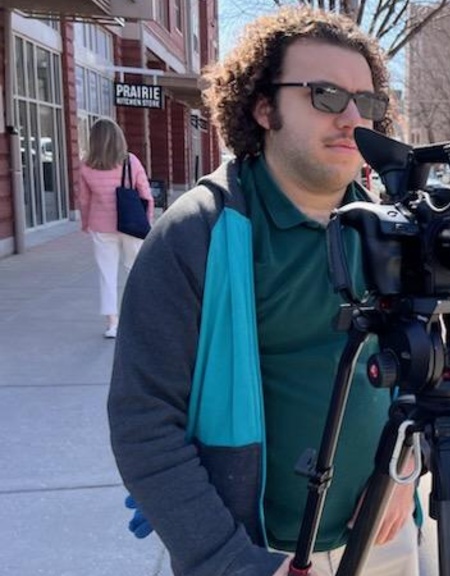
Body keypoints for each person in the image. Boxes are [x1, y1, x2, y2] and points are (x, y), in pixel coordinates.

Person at [107, 7, 419, 576]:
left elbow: (423, 368)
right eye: (325, 95)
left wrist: (405, 467)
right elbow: (143, 423)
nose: (353, 118)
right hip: (256, 553)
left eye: (367, 101)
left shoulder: (391, 229)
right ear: (263, 107)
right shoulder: (195, 233)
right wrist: (235, 563)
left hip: (385, 535)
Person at [77, 118, 154, 338]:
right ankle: (138, 318)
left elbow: (83, 200)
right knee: (135, 271)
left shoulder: (86, 165)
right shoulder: (130, 161)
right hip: (132, 225)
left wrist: (85, 223)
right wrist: (146, 223)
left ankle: (112, 324)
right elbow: (146, 195)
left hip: (101, 225)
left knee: (106, 274)